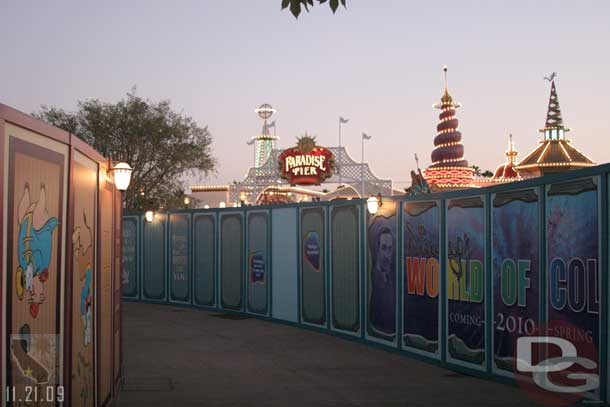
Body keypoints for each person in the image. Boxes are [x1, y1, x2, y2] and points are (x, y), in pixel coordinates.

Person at [370, 226, 396, 334]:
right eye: (384, 248)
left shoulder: (396, 274)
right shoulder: (371, 276)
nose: (387, 255)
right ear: (377, 248)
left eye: (390, 249)